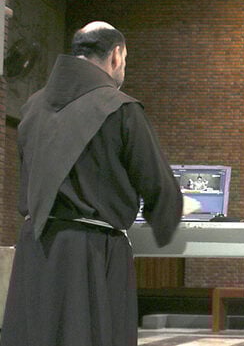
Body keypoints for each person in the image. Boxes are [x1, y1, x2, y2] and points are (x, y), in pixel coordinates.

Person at [0, 21, 184, 346]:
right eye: (125, 60)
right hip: (93, 255)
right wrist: (167, 223)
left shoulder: (32, 107)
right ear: (116, 55)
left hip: (36, 250)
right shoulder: (120, 108)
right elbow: (159, 187)